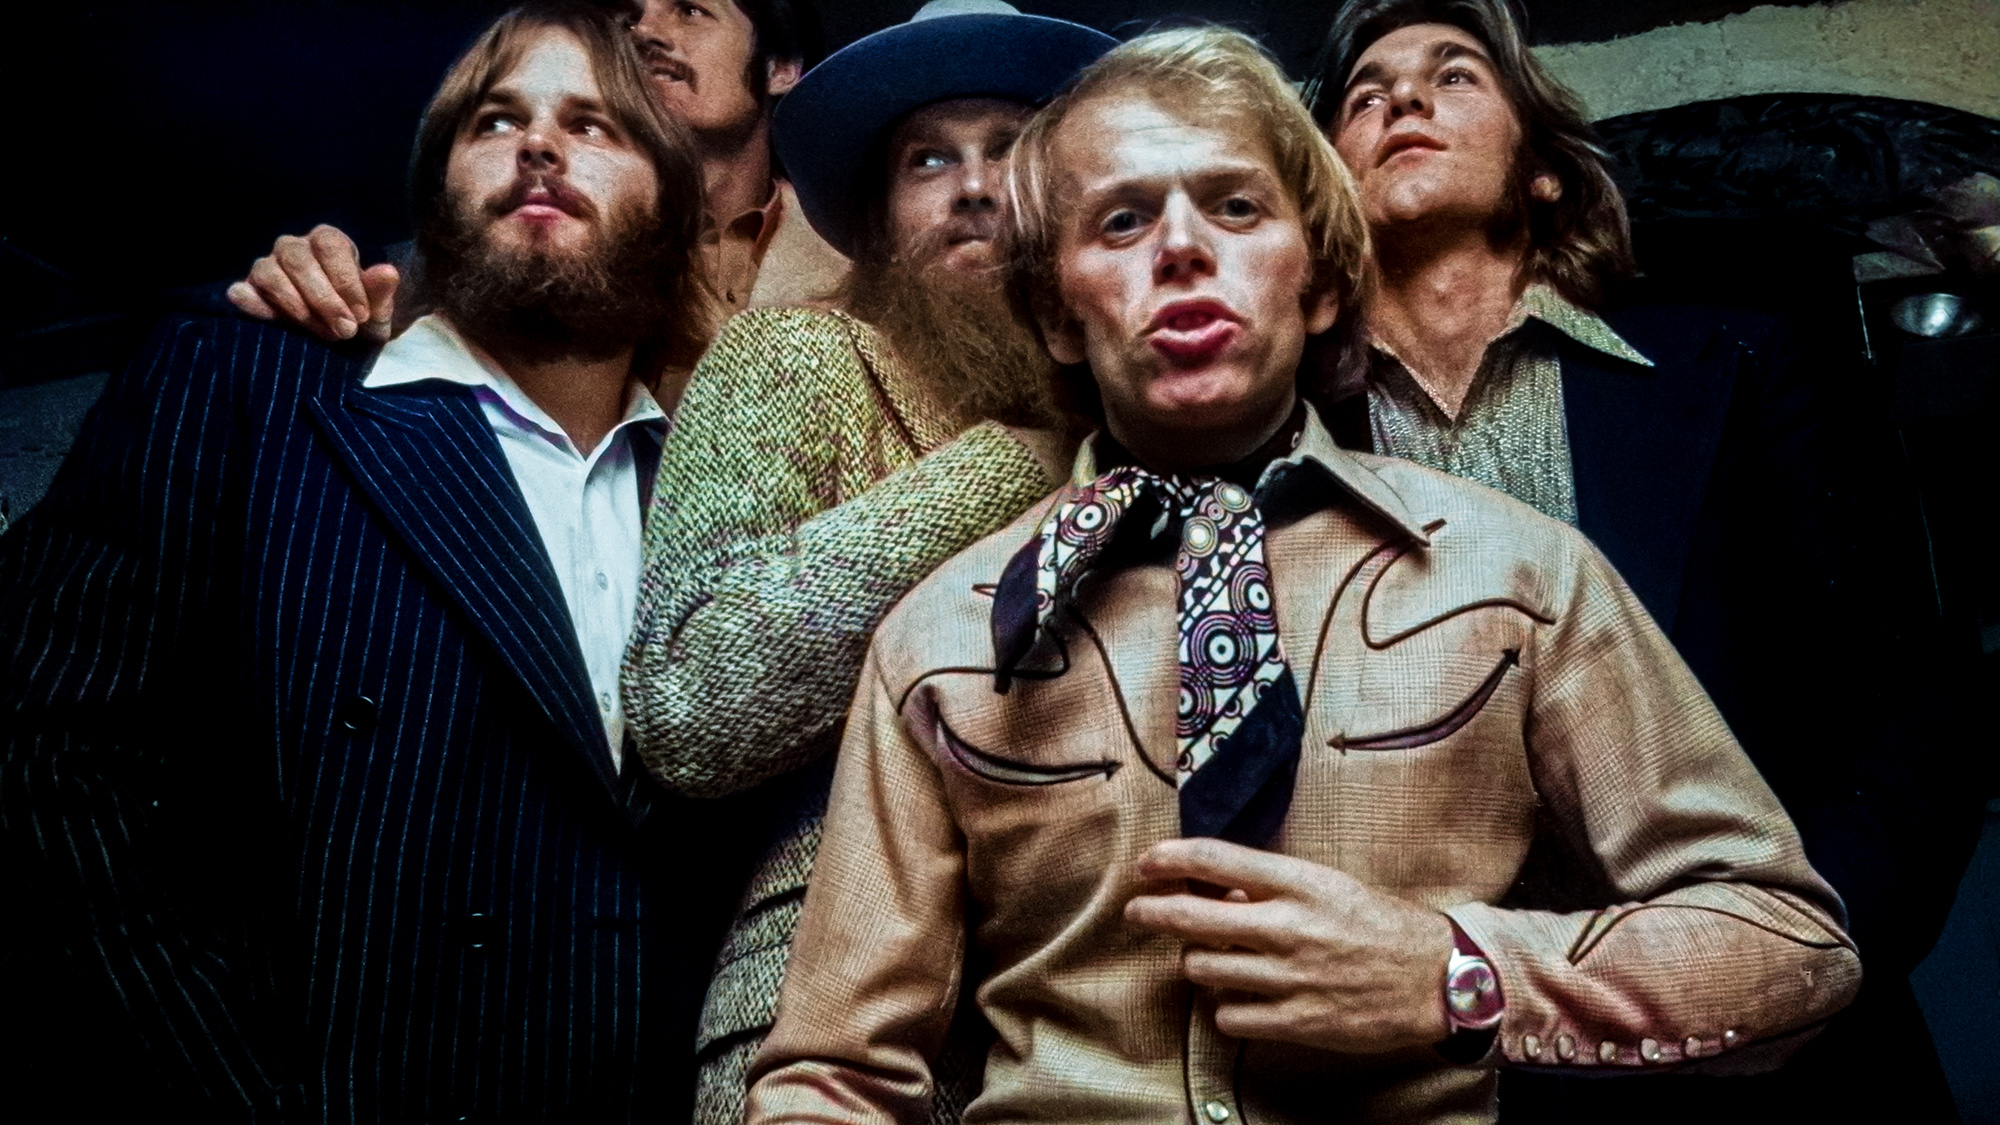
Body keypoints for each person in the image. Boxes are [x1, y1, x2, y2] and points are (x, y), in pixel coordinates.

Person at [742, 27, 1860, 1125]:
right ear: (1056, 313)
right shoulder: (943, 637)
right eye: (1122, 219)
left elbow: (1788, 947)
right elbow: (829, 1076)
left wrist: (1457, 975)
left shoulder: (1516, 574)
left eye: (1233, 207)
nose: (1179, 249)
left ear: (1321, 286)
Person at [0, 3, 732, 1118]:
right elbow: (44, 764)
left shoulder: (704, 487)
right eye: (495, 120)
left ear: (674, 215)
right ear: (435, 196)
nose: (537, 143)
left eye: (593, 126)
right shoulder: (252, 379)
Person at [1305, 1, 1978, 1119]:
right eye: (1364, 95)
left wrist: (1800, 965)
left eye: (1453, 76)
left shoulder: (1740, 358)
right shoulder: (1282, 447)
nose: (1402, 100)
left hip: (1779, 1058)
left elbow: (1908, 700)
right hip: (1454, 1075)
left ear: (1542, 176)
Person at [616, 5, 1115, 1121]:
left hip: (1098, 1027)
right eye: (926, 159)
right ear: (882, 224)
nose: (974, 185)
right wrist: (1013, 468)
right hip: (818, 1026)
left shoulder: (1141, 416)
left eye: (1013, 151)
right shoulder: (800, 354)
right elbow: (689, 702)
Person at [226, 0, 846, 401]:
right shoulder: (444, 266)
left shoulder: (865, 271)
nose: (646, 34)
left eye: (689, 10)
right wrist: (316, 302)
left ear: (782, 67)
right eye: (628, 17)